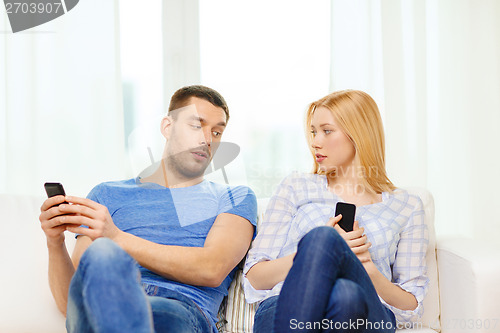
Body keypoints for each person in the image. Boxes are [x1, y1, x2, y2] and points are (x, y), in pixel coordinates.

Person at [39, 85, 257, 333]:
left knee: (107, 252)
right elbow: (71, 304)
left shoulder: (234, 197)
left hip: (179, 309)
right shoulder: (107, 194)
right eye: (197, 126)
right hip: (102, 306)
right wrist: (54, 242)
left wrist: (116, 237)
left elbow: (212, 270)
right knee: (101, 254)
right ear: (167, 127)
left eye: (217, 132)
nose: (207, 140)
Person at [243, 90, 429, 333]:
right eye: (313, 132)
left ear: (359, 134)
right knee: (331, 257)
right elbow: (254, 278)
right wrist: (317, 253)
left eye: (327, 131)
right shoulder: (296, 187)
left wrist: (367, 267)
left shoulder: (407, 205)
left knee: (350, 294)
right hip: (286, 305)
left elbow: (412, 306)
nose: (315, 142)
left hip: (368, 312)